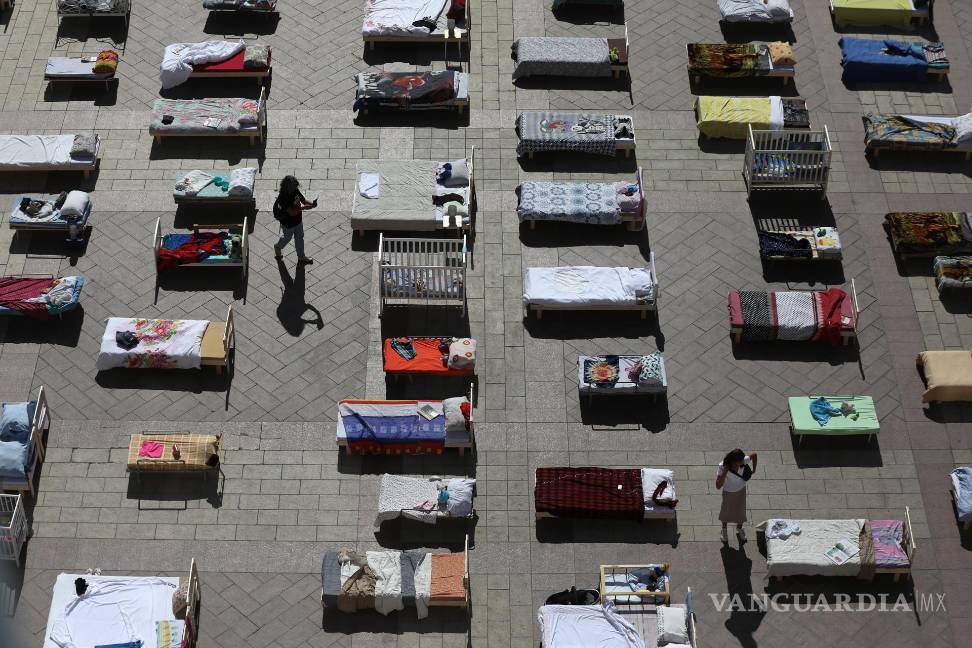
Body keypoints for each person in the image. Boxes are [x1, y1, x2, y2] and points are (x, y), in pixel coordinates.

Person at [715, 448, 757, 544]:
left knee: (741, 510)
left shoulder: (743, 460)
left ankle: (739, 529)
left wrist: (754, 469)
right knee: (726, 511)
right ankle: (724, 530)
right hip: (728, 492)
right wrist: (725, 471)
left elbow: (754, 455)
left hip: (741, 490)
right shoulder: (722, 466)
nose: (741, 464)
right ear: (733, 462)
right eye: (739, 462)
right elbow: (718, 486)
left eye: (742, 461)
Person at [273, 175, 317, 264]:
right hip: (288, 223)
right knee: (287, 237)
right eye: (293, 187)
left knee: (300, 237)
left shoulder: (295, 191)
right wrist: (304, 208)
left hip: (298, 220)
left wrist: (312, 204)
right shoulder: (283, 198)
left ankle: (301, 257)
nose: (295, 188)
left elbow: (303, 200)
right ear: (288, 187)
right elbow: (292, 213)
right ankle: (278, 247)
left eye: (295, 186)